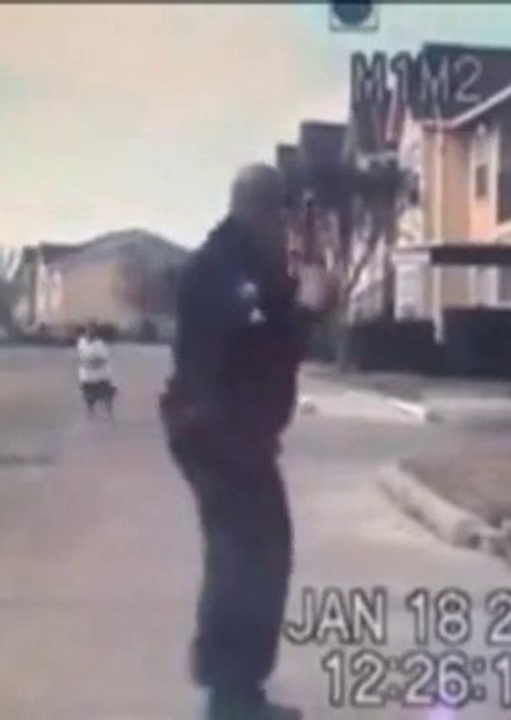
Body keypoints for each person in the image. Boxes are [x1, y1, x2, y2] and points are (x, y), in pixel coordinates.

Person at [159, 164, 335, 720]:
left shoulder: (252, 265)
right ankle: (231, 694)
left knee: (251, 554)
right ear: (263, 211)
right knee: (248, 559)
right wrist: (305, 306)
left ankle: (234, 685)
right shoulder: (221, 269)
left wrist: (311, 302)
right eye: (283, 214)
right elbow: (258, 344)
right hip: (218, 432)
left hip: (235, 433)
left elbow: (285, 341)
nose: (287, 227)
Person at [76, 322, 115, 418]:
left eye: (92, 331)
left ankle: (108, 410)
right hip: (86, 373)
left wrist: (95, 362)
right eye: (88, 330)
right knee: (88, 394)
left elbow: (105, 357)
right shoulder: (81, 342)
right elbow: (80, 355)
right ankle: (90, 410)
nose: (89, 333)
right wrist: (84, 361)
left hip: (100, 373)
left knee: (105, 393)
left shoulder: (100, 343)